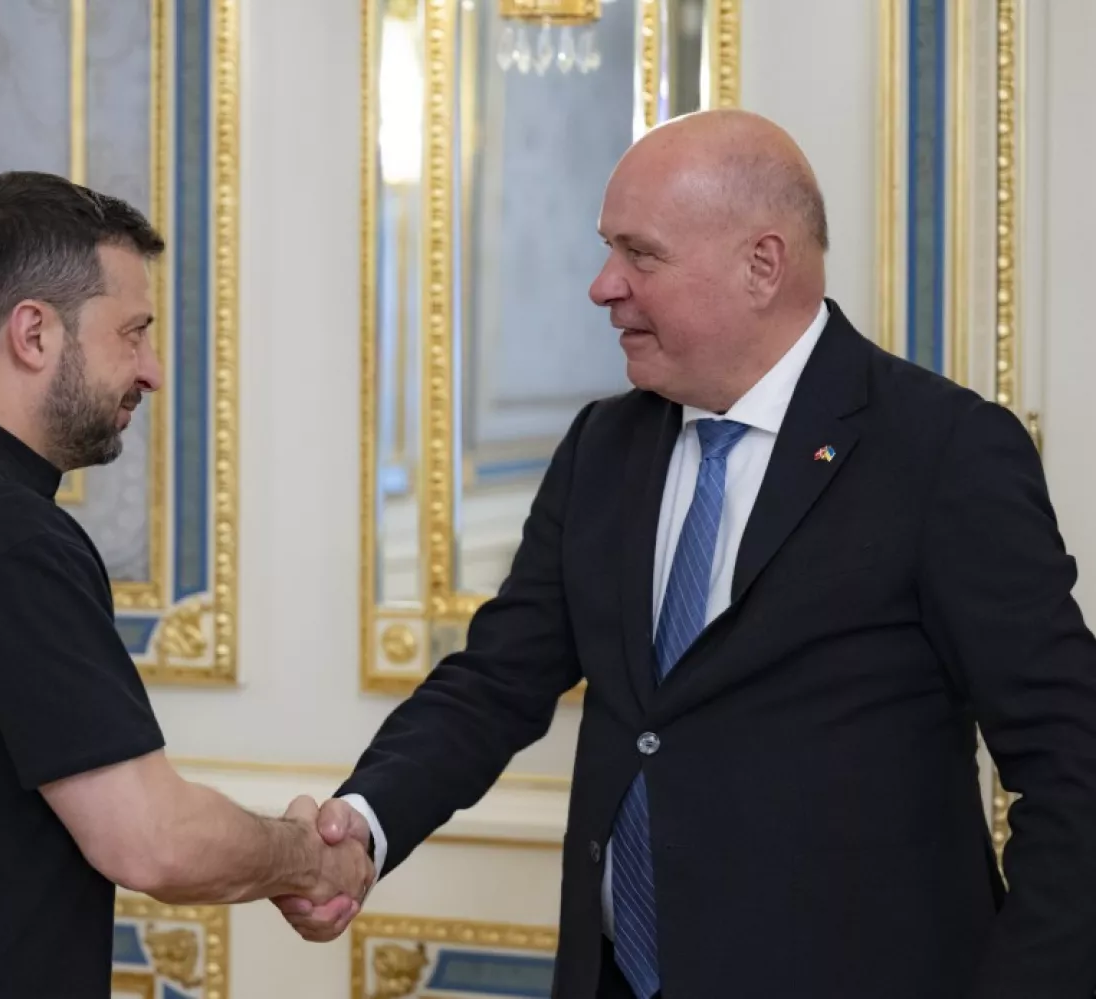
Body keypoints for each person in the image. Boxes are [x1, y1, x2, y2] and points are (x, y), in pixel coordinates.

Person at [274, 110, 1096, 998]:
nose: (602, 285)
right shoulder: (603, 446)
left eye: (641, 254)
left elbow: (1072, 765)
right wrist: (361, 822)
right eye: (606, 249)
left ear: (762, 265)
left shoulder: (942, 451)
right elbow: (495, 680)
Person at [0, 171, 372, 999]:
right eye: (134, 332)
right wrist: (307, 854)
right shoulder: (8, 537)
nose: (151, 371)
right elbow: (150, 838)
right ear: (34, 333)